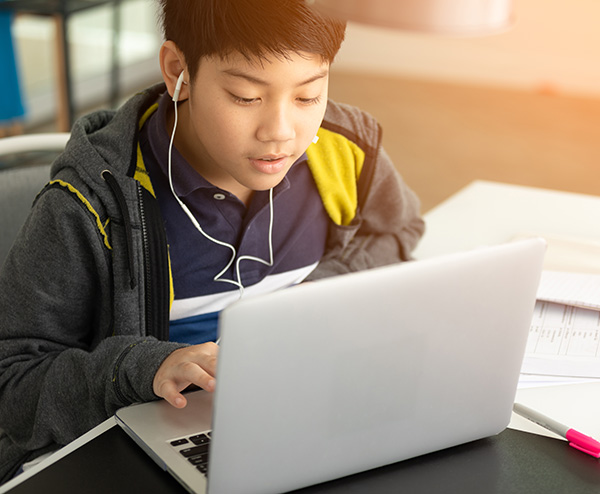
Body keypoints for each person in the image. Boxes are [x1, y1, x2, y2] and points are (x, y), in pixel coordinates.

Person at [0, 0, 424, 483]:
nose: (281, 133)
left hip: (295, 416)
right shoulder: (89, 204)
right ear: (178, 71)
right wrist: (146, 367)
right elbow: (12, 380)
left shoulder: (344, 150)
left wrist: (319, 296)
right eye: (246, 96)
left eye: (308, 96)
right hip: (123, 443)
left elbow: (396, 232)